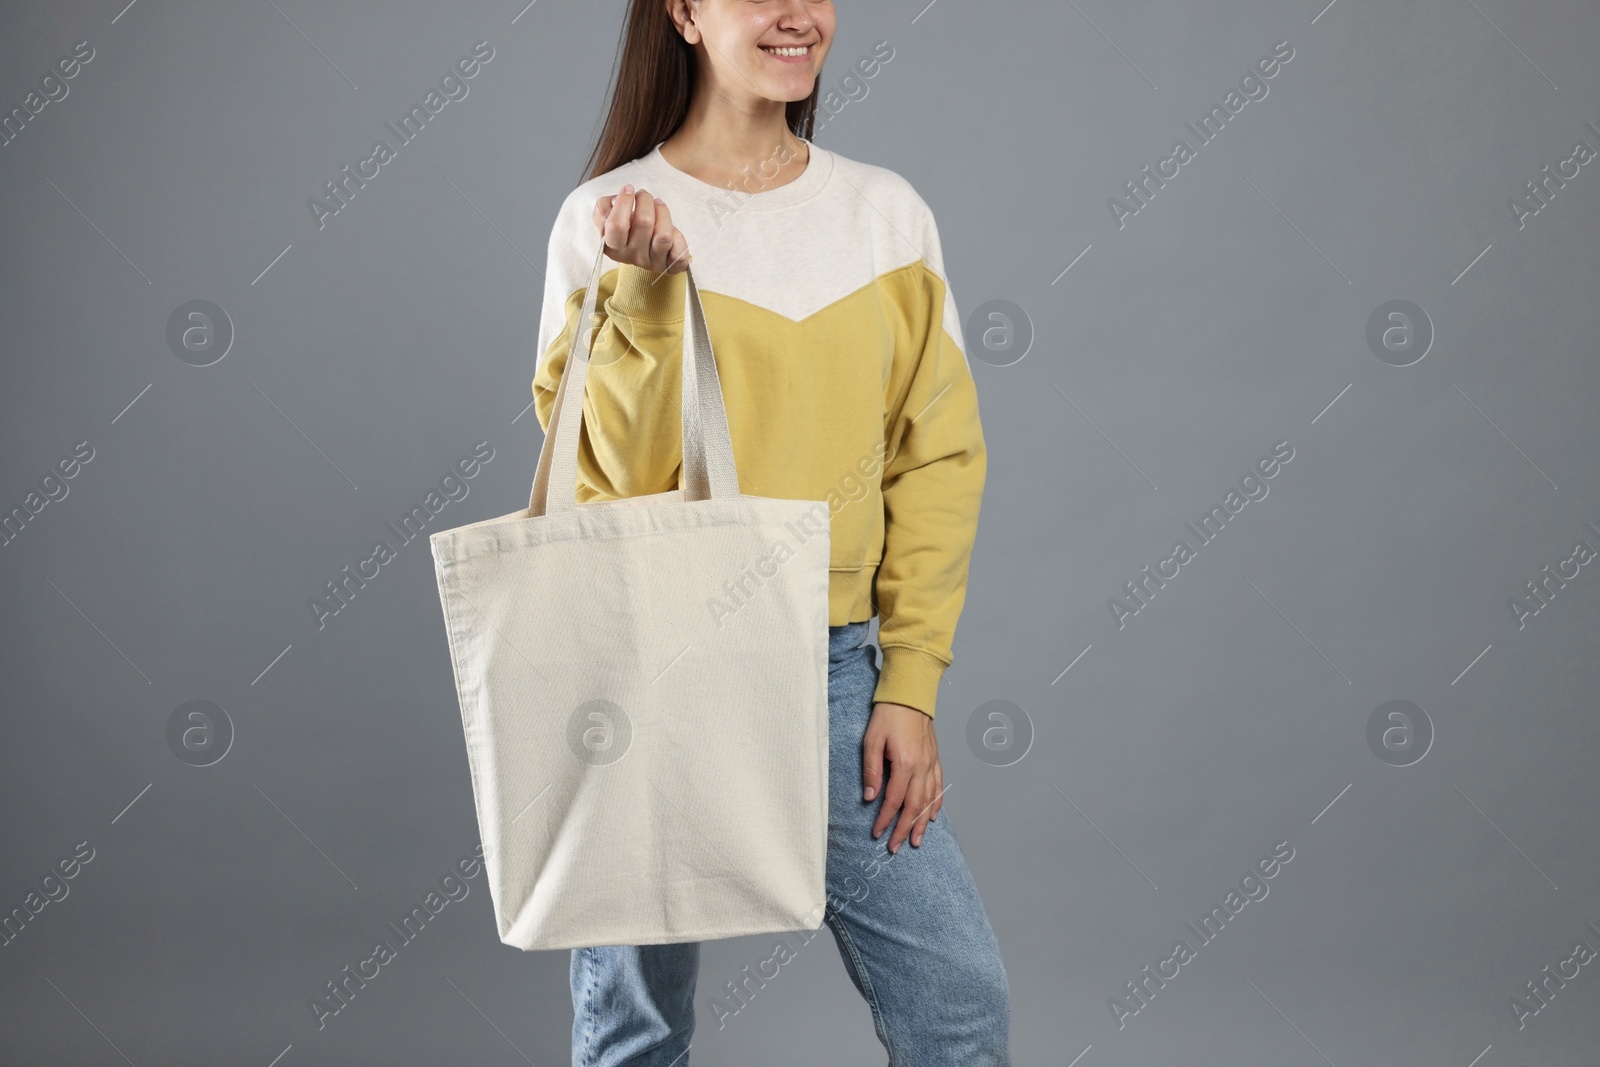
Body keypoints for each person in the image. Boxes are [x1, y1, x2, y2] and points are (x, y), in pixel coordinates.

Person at [530, 2, 1010, 1063]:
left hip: (829, 673)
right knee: (633, 1030)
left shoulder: (887, 217)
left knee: (957, 1001)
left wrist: (909, 683)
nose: (798, 14)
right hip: (644, 668)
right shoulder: (603, 217)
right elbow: (605, 489)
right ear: (685, 12)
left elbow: (935, 462)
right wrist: (648, 298)